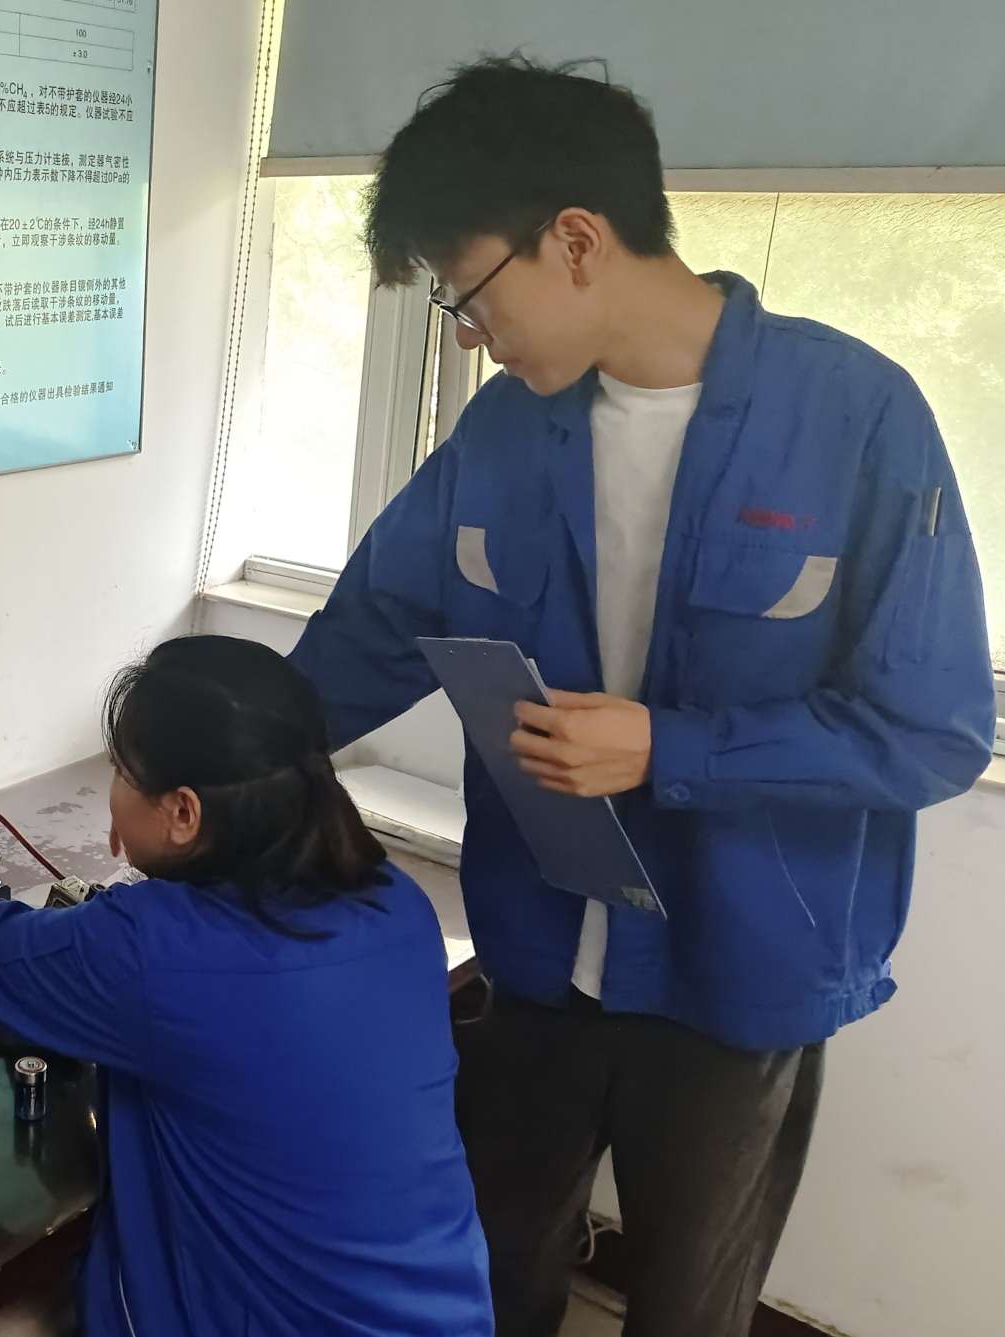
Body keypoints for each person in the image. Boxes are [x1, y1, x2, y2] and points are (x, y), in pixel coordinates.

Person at [287, 54, 995, 1337]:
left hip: (738, 977)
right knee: (485, 1274)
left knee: (684, 1306)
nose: (468, 334)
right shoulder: (505, 432)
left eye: (467, 293)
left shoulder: (855, 417)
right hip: (535, 952)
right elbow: (374, 628)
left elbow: (931, 731)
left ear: (574, 240)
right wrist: (218, 746)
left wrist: (671, 748)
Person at [0, 635, 492, 1337]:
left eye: (120, 772)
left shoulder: (163, 955)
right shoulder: (397, 903)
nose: (111, 791)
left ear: (184, 812)